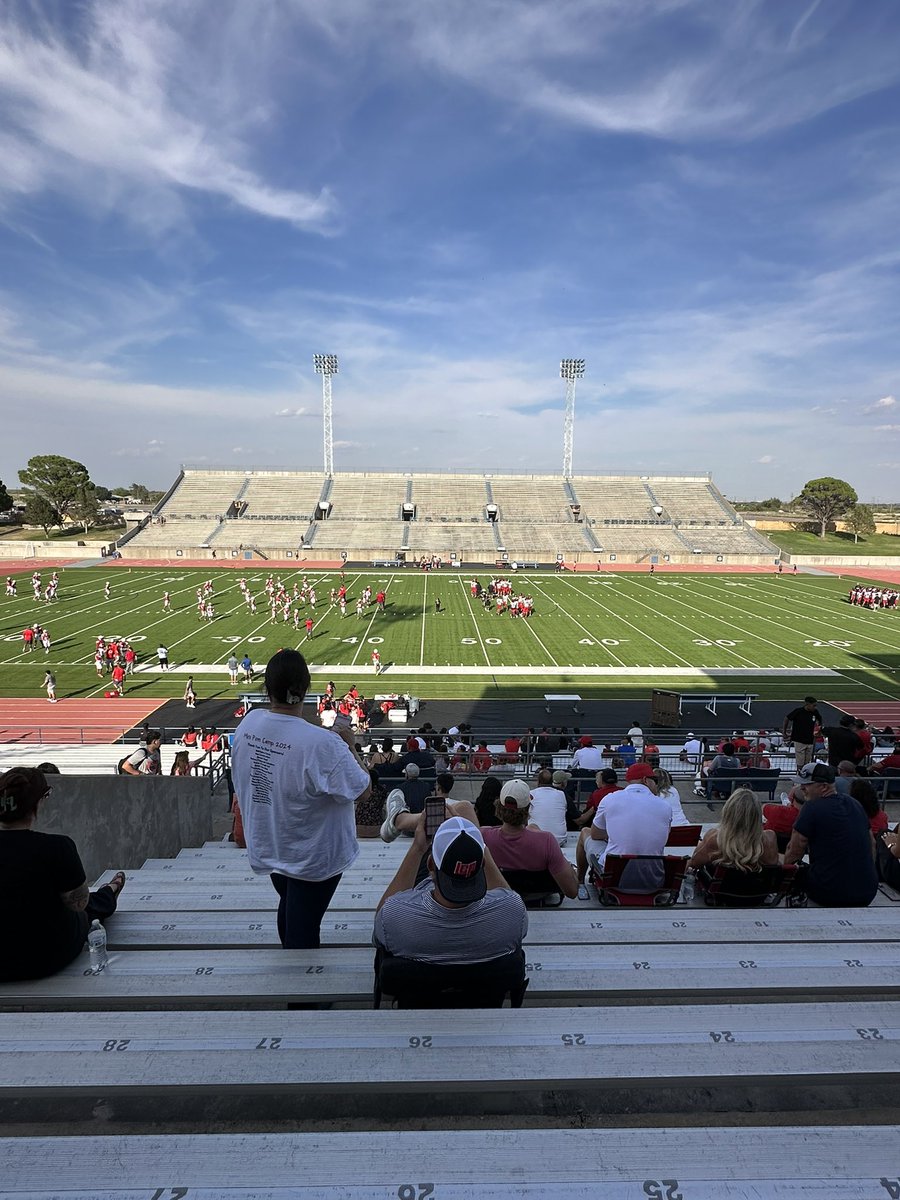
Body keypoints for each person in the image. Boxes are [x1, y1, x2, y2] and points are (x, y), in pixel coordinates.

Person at [230, 649, 371, 949]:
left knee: (290, 907)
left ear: (267, 690)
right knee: (302, 935)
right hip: (313, 857)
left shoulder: (248, 724)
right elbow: (363, 789)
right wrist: (350, 746)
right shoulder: (325, 743)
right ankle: (301, 993)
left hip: (272, 845)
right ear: (306, 690)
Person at [0, 767, 125, 982]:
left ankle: (108, 892)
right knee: (87, 908)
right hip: (45, 958)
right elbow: (78, 904)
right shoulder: (57, 847)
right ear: (37, 803)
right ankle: (109, 892)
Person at [373, 815, 528, 967]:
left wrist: (418, 849)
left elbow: (379, 927)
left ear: (431, 864)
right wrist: (481, 846)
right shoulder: (513, 911)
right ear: (483, 863)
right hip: (486, 991)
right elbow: (506, 896)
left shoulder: (393, 915)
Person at [783, 763, 878, 907]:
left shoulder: (811, 807)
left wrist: (783, 873)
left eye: (807, 784)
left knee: (797, 872)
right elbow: (872, 844)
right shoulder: (855, 804)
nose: (801, 788)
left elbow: (794, 851)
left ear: (824, 787)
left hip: (828, 893)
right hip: (867, 891)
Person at [575, 762, 672, 898]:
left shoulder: (610, 799)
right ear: (645, 780)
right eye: (655, 780)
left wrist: (614, 834)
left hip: (614, 876)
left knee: (585, 832)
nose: (656, 784)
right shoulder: (665, 806)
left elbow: (595, 834)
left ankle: (579, 881)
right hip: (652, 879)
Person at [480, 779, 578, 899]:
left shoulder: (483, 836)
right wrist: (568, 867)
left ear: (499, 807)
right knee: (534, 828)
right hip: (539, 898)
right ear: (528, 808)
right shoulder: (546, 841)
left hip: (500, 902)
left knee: (533, 827)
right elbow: (572, 892)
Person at [688, 789, 780, 879]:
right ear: (757, 816)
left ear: (728, 812)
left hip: (721, 892)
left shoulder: (715, 839)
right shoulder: (769, 839)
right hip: (757, 892)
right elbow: (773, 866)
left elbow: (694, 863)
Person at [528, 768, 569, 845]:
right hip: (559, 839)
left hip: (536, 839)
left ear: (538, 782)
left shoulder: (531, 794)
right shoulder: (561, 794)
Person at [782, 697, 822, 770]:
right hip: (799, 740)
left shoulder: (815, 712)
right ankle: (799, 778)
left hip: (810, 741)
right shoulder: (798, 711)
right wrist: (784, 732)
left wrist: (819, 731)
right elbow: (787, 718)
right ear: (807, 704)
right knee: (800, 764)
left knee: (807, 763)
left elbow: (820, 720)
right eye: (814, 705)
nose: (815, 707)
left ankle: (805, 778)